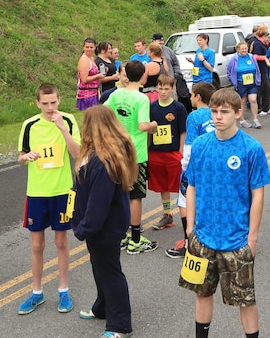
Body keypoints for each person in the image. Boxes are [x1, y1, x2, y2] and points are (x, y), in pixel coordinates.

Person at [179, 88, 270, 338]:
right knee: (202, 293)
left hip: (237, 240)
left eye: (225, 112)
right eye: (214, 111)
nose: (218, 116)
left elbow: (258, 195)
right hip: (203, 237)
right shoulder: (200, 145)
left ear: (238, 113)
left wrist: (252, 238)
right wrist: (190, 229)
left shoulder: (251, 149)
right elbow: (192, 186)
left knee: (246, 299)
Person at [72, 105, 136, 338]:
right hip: (100, 227)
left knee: (110, 272)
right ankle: (102, 307)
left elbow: (99, 203)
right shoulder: (97, 153)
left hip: (104, 228)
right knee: (100, 268)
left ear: (92, 127)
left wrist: (84, 228)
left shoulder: (103, 161)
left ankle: (119, 324)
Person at [16, 84, 80, 315]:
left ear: (59, 100)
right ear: (37, 103)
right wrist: (27, 157)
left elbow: (77, 154)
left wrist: (63, 129)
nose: (50, 107)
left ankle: (64, 290)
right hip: (37, 192)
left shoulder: (69, 120)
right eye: (45, 103)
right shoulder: (29, 125)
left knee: (61, 242)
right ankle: (36, 292)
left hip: (62, 190)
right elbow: (20, 158)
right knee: (36, 245)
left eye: (53, 102)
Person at [102, 60, 154, 255]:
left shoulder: (116, 94)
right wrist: (154, 125)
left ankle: (122, 234)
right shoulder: (141, 99)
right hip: (136, 153)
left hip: (117, 149)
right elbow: (142, 125)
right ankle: (136, 239)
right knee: (136, 196)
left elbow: (104, 111)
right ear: (142, 77)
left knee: (121, 192)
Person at [167, 81, 216, 260]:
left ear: (198, 97)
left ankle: (190, 243)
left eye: (192, 94)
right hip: (213, 166)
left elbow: (190, 145)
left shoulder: (194, 116)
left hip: (196, 167)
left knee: (185, 202)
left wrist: (184, 165)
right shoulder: (215, 114)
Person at [146, 73, 188, 241]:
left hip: (173, 153)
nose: (162, 91)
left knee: (180, 186)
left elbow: (182, 132)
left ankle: (189, 214)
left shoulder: (178, 108)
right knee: (162, 186)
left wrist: (180, 153)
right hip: (156, 152)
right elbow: (149, 131)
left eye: (166, 89)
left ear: (172, 89)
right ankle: (167, 214)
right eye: (160, 88)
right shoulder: (152, 107)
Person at [227, 40, 261, 129]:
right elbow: (229, 72)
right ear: (238, 49)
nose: (244, 50)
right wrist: (233, 82)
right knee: (242, 101)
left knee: (253, 100)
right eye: (242, 49)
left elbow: (257, 68)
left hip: (252, 82)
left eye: (246, 48)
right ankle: (242, 121)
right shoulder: (233, 59)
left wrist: (258, 78)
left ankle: (256, 120)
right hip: (240, 83)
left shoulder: (251, 57)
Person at [76, 38, 101, 111]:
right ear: (83, 47)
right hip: (87, 95)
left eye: (91, 47)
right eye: (87, 47)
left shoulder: (91, 58)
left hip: (94, 92)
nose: (89, 49)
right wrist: (97, 76)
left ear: (95, 47)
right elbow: (84, 79)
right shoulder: (84, 60)